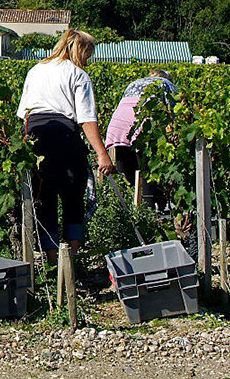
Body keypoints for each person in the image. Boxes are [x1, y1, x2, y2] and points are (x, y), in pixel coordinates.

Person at [17, 29, 116, 261]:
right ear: (81, 51)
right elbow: (86, 118)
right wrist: (102, 153)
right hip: (64, 136)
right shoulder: (78, 75)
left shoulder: (36, 69)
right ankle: (71, 257)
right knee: (73, 197)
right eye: (88, 55)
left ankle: (52, 260)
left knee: (45, 198)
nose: (87, 61)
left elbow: (24, 113)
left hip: (36, 137)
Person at [105, 69, 177, 208]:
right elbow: (174, 112)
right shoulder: (166, 84)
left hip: (118, 126)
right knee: (147, 173)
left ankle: (125, 212)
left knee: (126, 177)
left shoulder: (134, 84)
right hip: (142, 125)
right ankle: (149, 214)